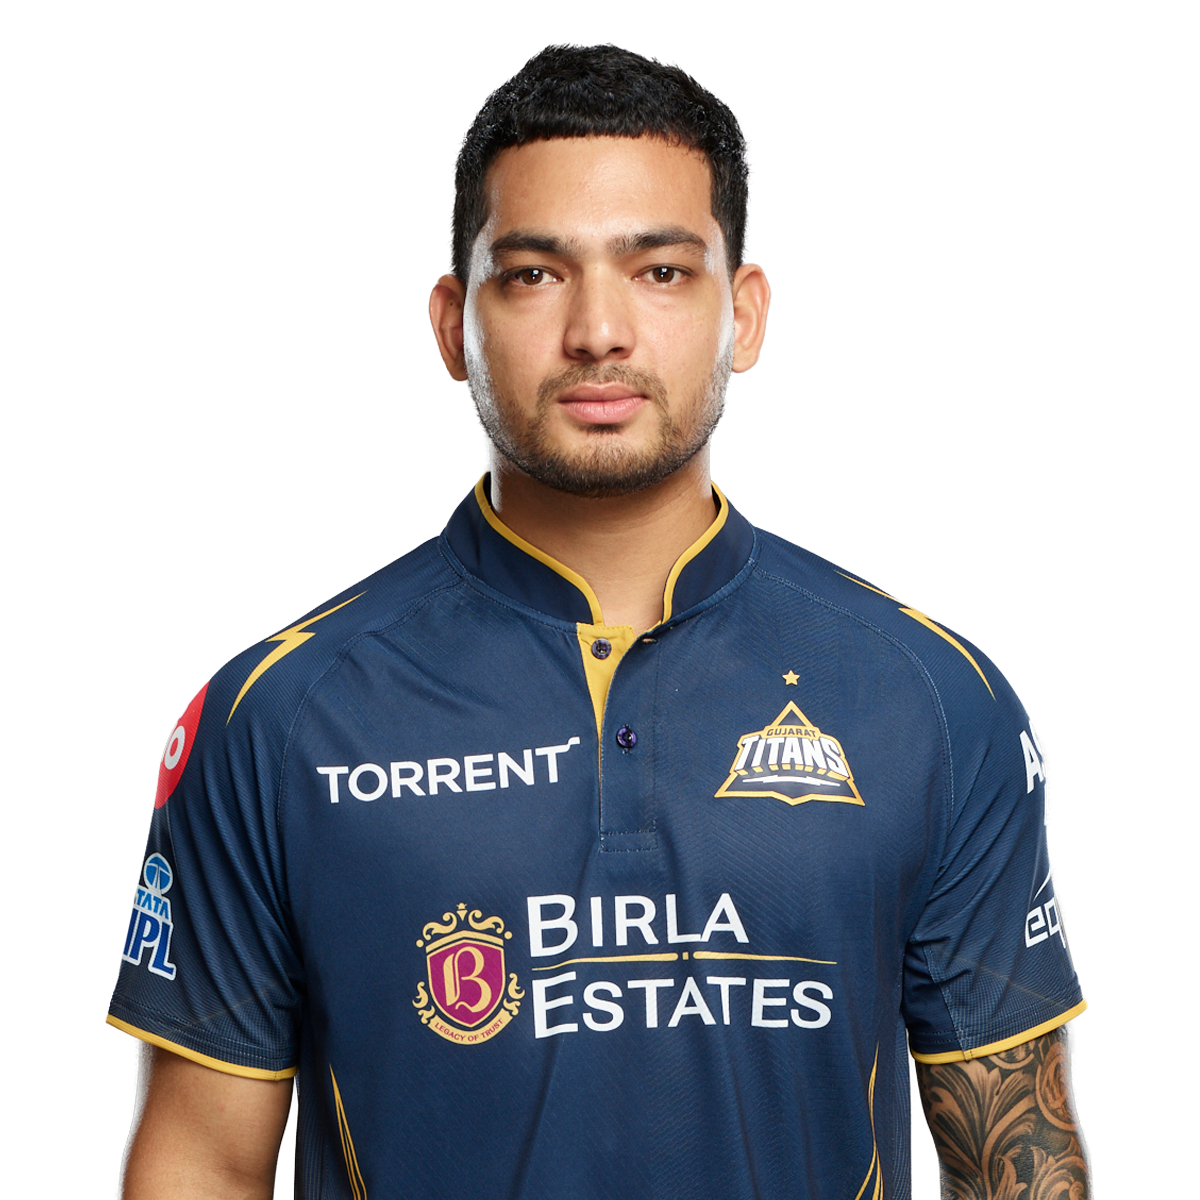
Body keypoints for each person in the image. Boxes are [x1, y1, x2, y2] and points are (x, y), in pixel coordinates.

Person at [108, 43, 1090, 1200]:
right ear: (452, 324)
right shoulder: (276, 718)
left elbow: (1021, 1168)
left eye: (661, 270)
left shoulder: (932, 700)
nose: (599, 332)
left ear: (743, 314)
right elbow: (201, 1163)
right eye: (534, 274)